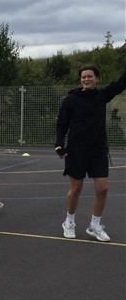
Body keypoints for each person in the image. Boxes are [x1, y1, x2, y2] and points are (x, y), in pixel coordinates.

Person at [55, 58, 126, 241]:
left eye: (90, 76)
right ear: (80, 80)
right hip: (77, 150)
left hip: (98, 149)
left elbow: (121, 82)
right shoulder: (70, 99)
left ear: (97, 79)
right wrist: (59, 145)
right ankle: (69, 221)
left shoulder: (102, 96)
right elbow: (62, 124)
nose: (86, 79)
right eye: (83, 77)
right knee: (76, 189)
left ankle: (95, 225)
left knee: (102, 189)